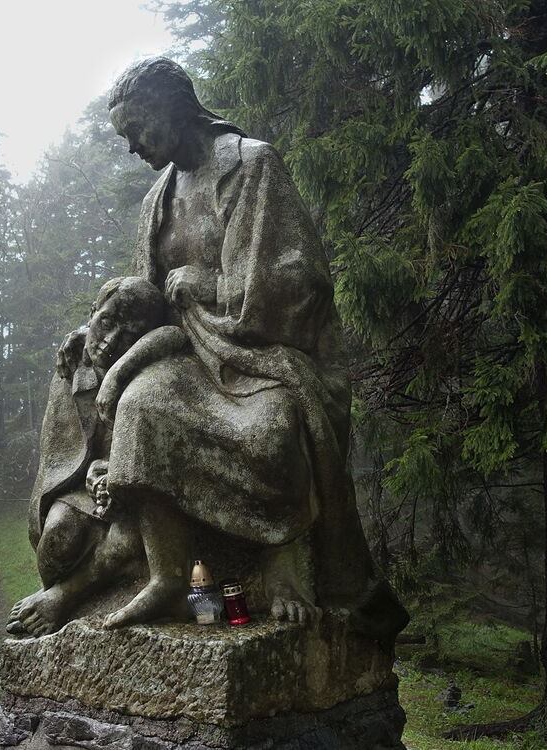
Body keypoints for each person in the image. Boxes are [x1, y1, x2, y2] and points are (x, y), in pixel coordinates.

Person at [89, 57, 407, 637]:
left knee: (272, 427)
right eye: (125, 136)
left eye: (137, 129)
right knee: (141, 404)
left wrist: (209, 285)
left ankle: (283, 564)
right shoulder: (156, 200)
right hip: (188, 351)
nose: (133, 146)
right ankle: (166, 577)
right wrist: (96, 330)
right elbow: (148, 299)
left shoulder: (251, 164)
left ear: (170, 109)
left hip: (263, 353)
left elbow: (299, 279)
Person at [7, 277, 188, 637]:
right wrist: (90, 475)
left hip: (129, 488)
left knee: (127, 538)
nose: (109, 342)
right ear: (92, 314)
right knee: (55, 541)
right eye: (106, 323)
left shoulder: (150, 375)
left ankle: (65, 595)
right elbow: (60, 454)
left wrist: (110, 474)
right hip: (82, 490)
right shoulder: (71, 369)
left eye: (128, 335)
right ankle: (60, 585)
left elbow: (177, 337)